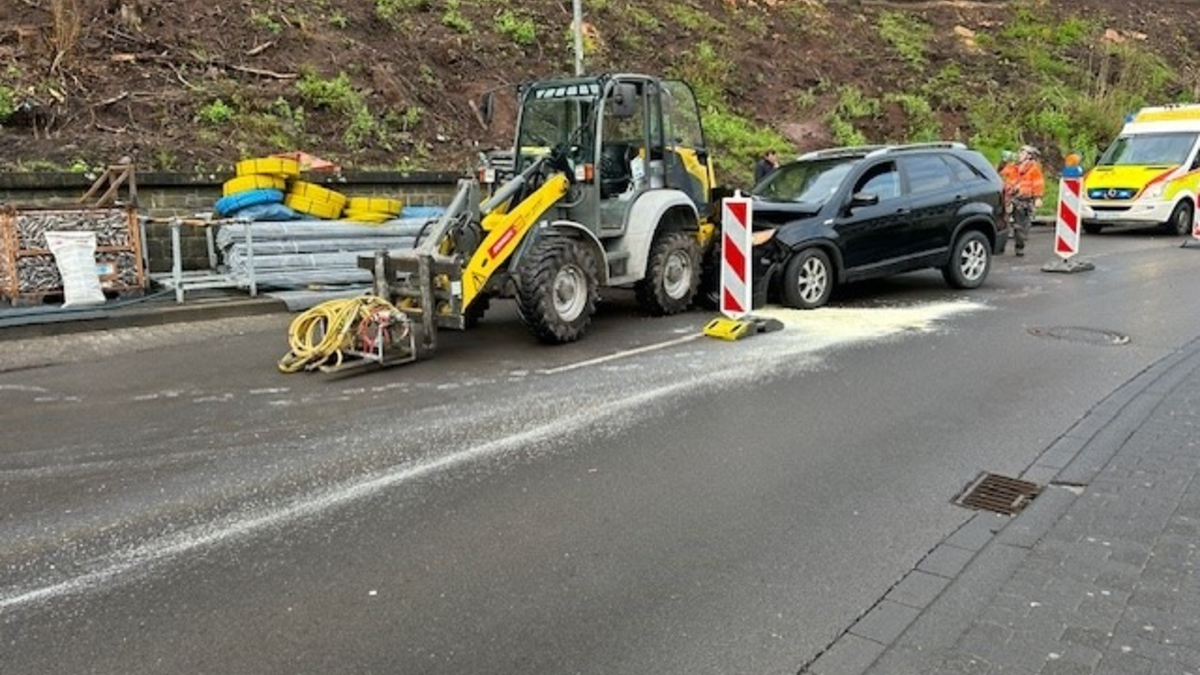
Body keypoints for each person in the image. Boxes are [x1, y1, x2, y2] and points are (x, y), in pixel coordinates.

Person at [1003, 144, 1044, 256]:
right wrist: (1003, 162)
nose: (1019, 155)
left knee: (1019, 226)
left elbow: (1038, 184)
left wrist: (1038, 198)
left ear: (1029, 156)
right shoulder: (1013, 166)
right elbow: (1002, 172)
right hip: (1009, 197)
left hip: (1023, 200)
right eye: (1019, 152)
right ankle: (1000, 245)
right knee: (1002, 223)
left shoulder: (1034, 169)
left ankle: (1019, 246)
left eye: (1022, 153)